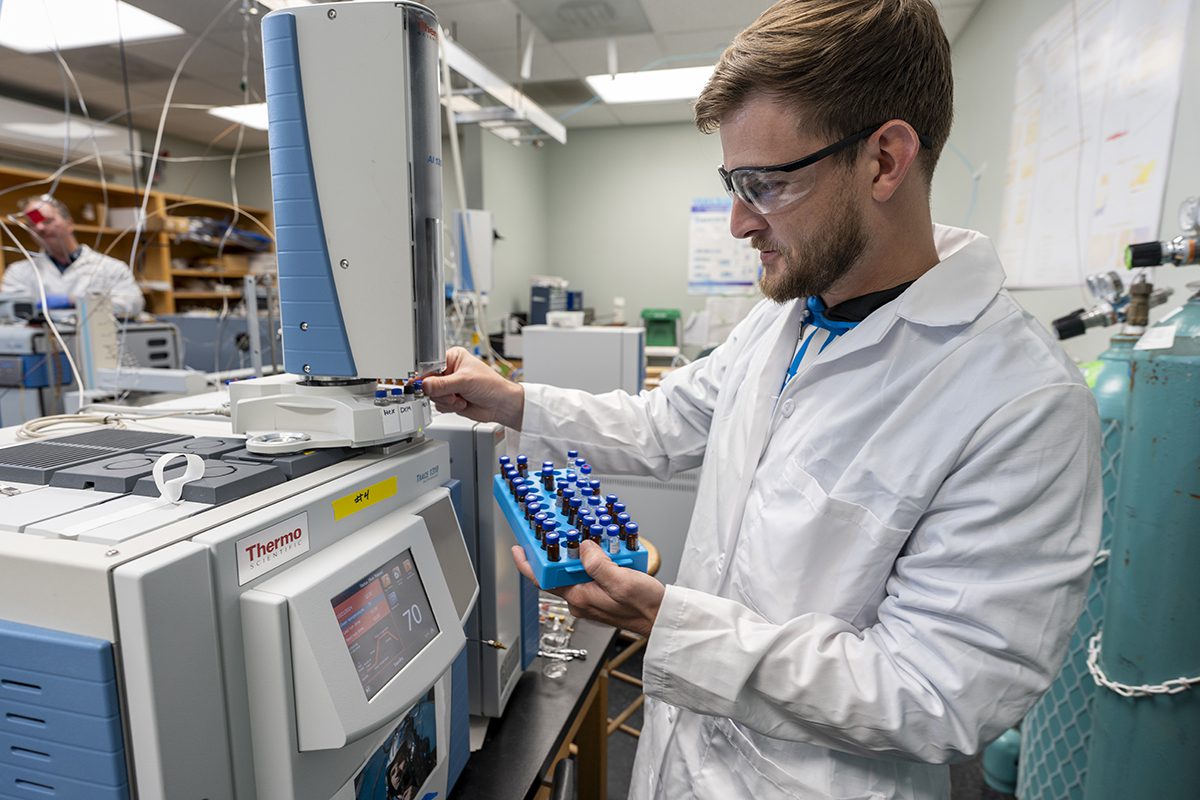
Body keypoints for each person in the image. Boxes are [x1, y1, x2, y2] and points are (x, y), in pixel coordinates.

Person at [422, 1, 1101, 797]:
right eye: (732, 183)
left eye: (766, 184)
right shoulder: (786, 321)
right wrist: (511, 401)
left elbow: (938, 695)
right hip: (677, 763)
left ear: (884, 160)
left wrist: (664, 623)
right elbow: (664, 422)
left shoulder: (1021, 405)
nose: (739, 221)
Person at [2, 194, 145, 315]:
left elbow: (133, 305)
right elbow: (8, 311)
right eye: (32, 224)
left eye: (48, 221)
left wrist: (75, 301)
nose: (40, 228)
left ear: (69, 224)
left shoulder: (111, 268)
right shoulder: (18, 272)